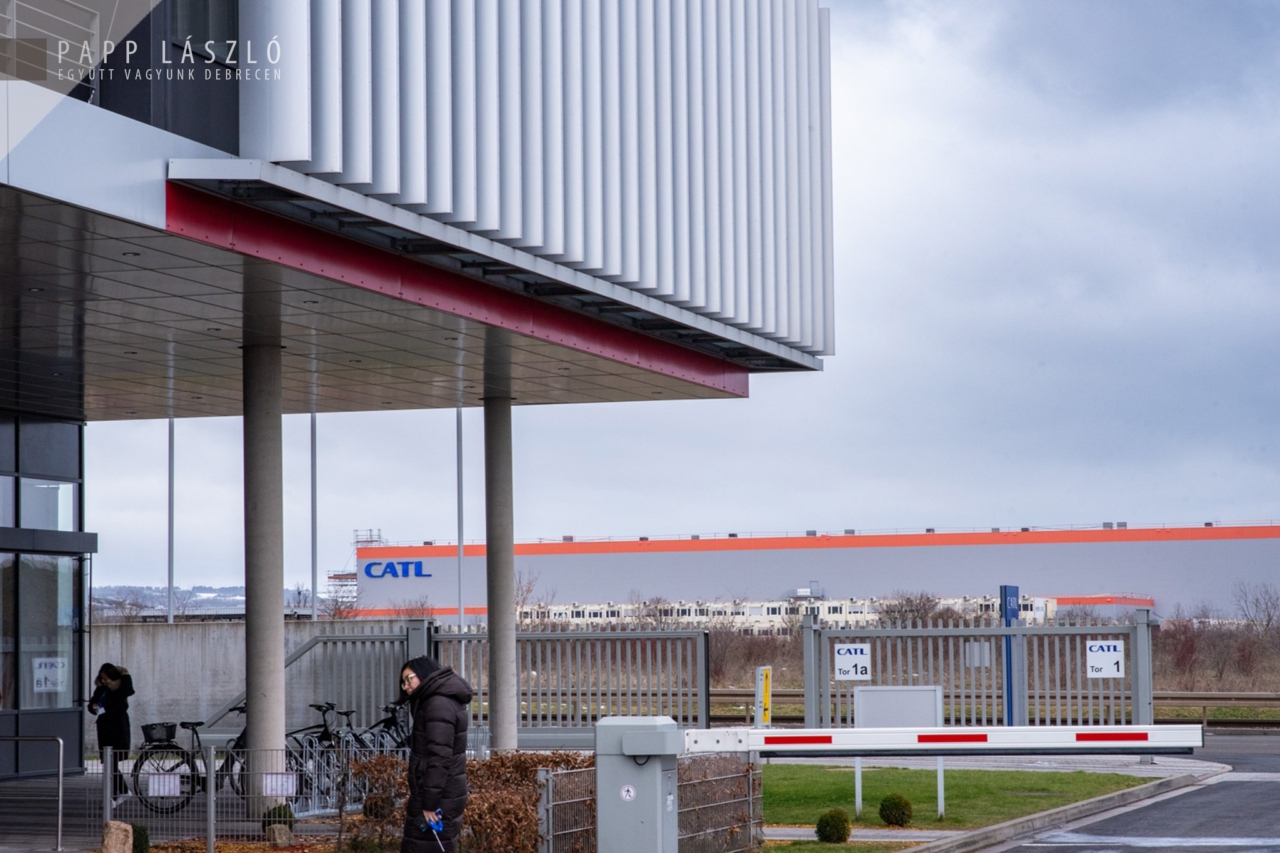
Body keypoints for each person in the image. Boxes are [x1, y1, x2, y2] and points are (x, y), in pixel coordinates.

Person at [398, 655, 472, 853]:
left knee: (424, 847)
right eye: (403, 682)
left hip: (438, 797)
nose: (406, 686)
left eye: (408, 679)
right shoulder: (438, 701)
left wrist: (429, 803)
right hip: (441, 793)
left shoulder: (437, 705)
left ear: (423, 674)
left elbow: (439, 758)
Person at [88, 663, 134, 805]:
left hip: (117, 728)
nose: (104, 681)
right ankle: (119, 793)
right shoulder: (101, 689)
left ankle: (114, 796)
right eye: (102, 678)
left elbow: (129, 690)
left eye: (106, 678)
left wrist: (125, 675)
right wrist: (94, 707)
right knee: (109, 764)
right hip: (104, 728)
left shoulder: (119, 689)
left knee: (111, 763)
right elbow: (92, 703)